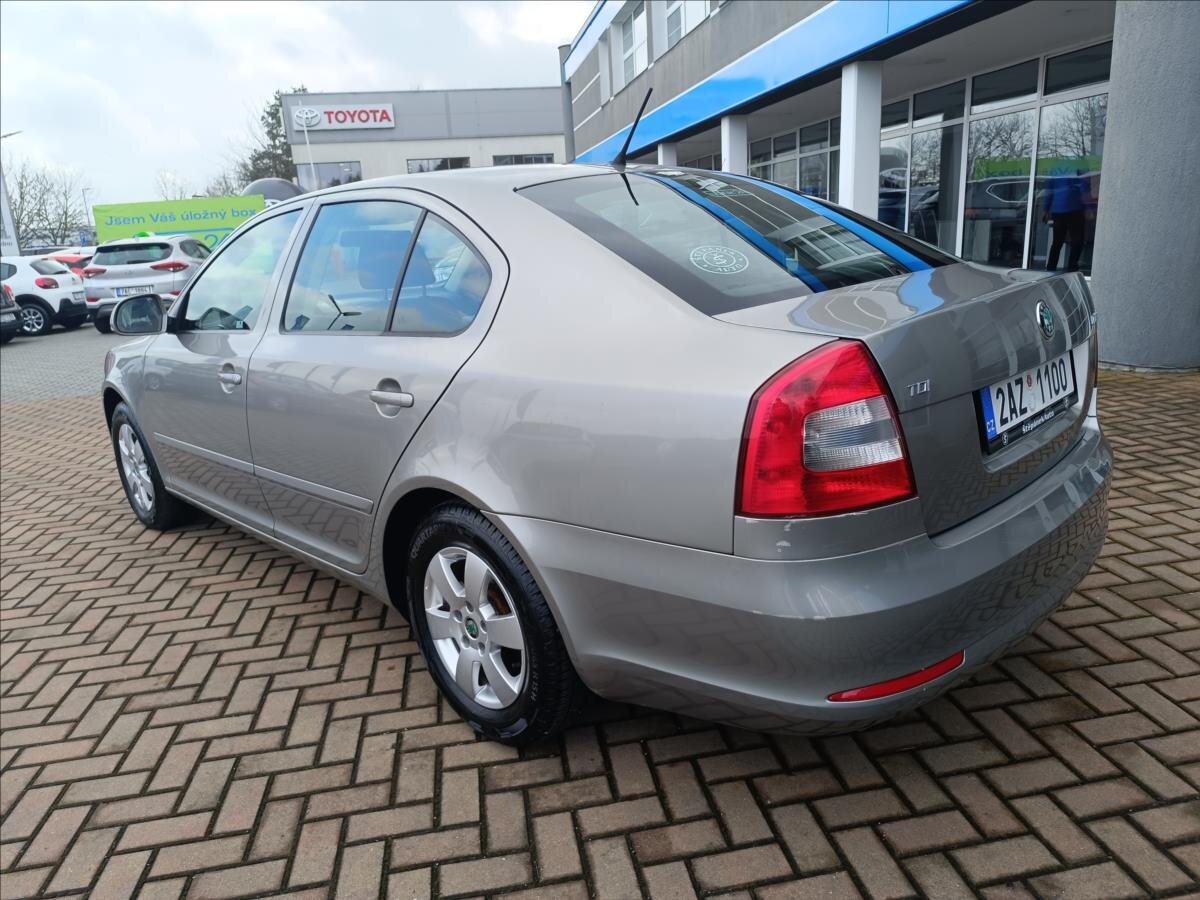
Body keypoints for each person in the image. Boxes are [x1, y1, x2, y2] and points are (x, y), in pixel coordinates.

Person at [1042, 169, 1089, 271]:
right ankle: (1072, 266)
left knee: (1057, 242)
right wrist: (1089, 208)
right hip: (1075, 210)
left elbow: (1049, 191)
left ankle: (1050, 268)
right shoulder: (1078, 170)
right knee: (1077, 241)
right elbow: (1083, 188)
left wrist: (1045, 209)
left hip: (1058, 211)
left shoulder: (1055, 172)